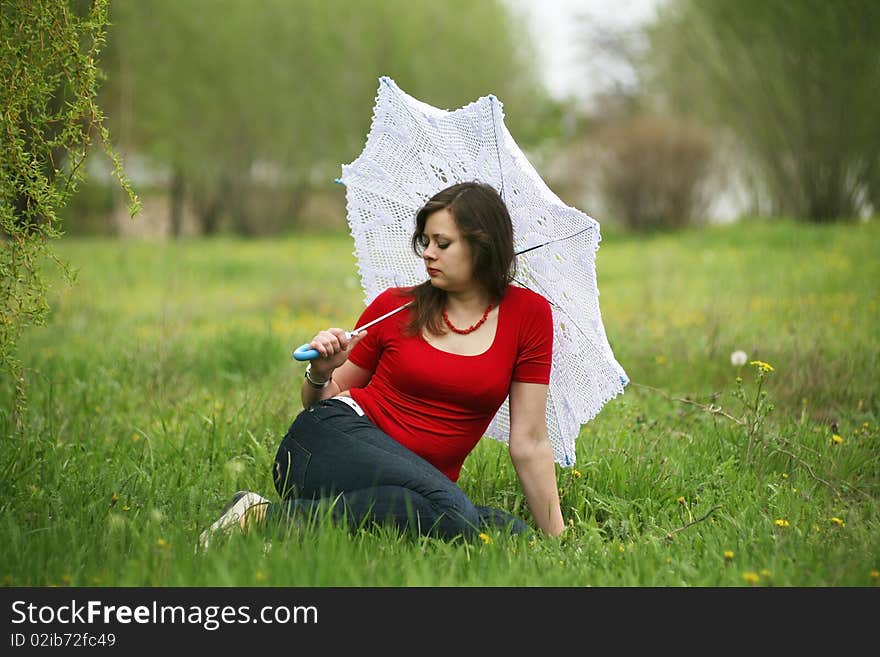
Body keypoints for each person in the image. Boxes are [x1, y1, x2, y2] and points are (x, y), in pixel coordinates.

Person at [199, 181, 565, 549]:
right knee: (456, 515)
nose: (428, 254)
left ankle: (288, 522)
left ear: (483, 246)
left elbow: (529, 441)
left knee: (508, 531)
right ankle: (262, 519)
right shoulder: (396, 307)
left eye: (443, 243)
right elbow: (320, 401)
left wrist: (556, 540)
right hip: (327, 443)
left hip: (417, 485)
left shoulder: (529, 316)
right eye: (425, 242)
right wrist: (322, 371)